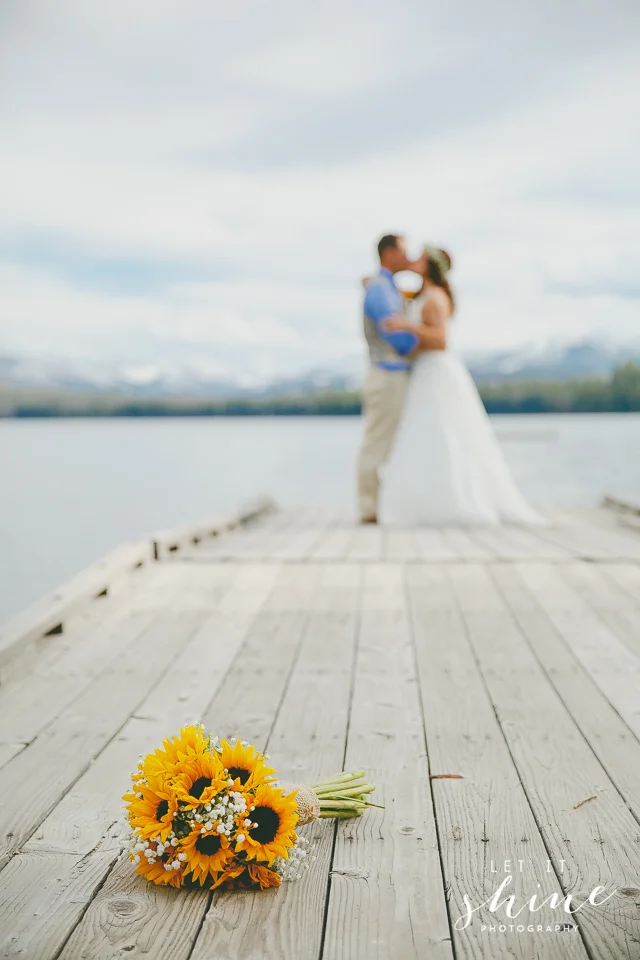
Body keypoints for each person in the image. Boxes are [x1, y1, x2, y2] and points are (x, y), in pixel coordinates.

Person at [379, 245, 544, 526]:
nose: (413, 261)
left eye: (419, 257)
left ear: (429, 265)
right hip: (425, 372)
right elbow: (402, 297)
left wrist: (407, 327)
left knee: (446, 434)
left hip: (437, 370)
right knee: (426, 436)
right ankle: (427, 501)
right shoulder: (423, 294)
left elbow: (441, 340)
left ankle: (454, 501)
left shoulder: (435, 297)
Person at [357, 235, 445, 524]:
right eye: (405, 252)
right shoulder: (381, 290)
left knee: (392, 442)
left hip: (398, 377)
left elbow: (408, 309)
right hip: (387, 375)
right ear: (390, 253)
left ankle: (382, 504)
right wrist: (416, 342)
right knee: (377, 441)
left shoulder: (389, 288)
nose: (409, 258)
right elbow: (398, 339)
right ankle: (369, 508)